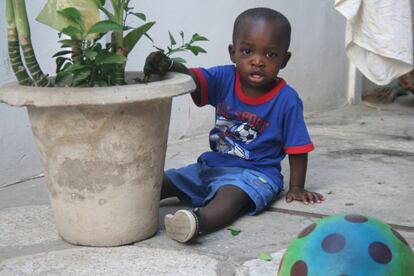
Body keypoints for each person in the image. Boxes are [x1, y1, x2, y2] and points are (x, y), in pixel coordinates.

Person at [144, 7, 324, 243]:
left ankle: (197, 222)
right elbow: (192, 78)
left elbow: (297, 148)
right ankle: (125, 203)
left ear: (284, 59)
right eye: (247, 51)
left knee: (231, 196)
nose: (258, 61)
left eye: (270, 55)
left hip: (255, 174)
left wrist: (297, 187)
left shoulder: (287, 100)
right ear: (233, 52)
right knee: (163, 180)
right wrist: (168, 65)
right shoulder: (223, 78)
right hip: (212, 167)